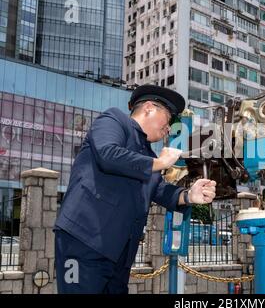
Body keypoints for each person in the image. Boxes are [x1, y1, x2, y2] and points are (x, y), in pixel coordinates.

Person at [54, 85, 216, 294]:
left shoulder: (147, 153)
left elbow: (160, 190)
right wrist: (159, 163)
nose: (169, 127)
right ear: (149, 107)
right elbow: (108, 154)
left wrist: (189, 196)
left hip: (119, 255)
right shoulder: (113, 120)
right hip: (84, 240)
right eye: (168, 117)